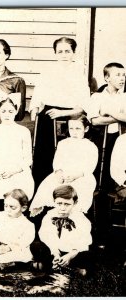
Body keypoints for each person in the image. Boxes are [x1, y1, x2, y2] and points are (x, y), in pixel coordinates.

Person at [30, 37, 90, 187]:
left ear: (73, 53)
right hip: (47, 118)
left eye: (67, 51)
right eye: (60, 51)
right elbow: (36, 99)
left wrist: (62, 113)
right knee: (44, 156)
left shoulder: (79, 75)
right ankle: (41, 197)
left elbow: (83, 106)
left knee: (64, 157)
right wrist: (35, 117)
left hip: (70, 118)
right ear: (55, 54)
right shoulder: (47, 72)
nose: (64, 55)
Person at [30, 115, 98, 217]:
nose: (74, 132)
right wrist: (59, 172)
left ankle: (74, 215)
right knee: (48, 184)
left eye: (78, 128)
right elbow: (57, 162)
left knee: (80, 188)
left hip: (81, 176)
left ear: (86, 129)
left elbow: (90, 167)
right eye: (71, 128)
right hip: (63, 174)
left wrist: (76, 175)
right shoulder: (63, 143)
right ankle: (53, 216)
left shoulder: (90, 146)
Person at [85, 62, 126, 193]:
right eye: (118, 75)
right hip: (100, 136)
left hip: (118, 137)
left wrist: (109, 111)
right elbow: (95, 121)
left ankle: (116, 189)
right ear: (107, 78)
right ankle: (98, 190)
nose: (122, 78)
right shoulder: (97, 97)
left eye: (124, 75)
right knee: (98, 161)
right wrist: (119, 117)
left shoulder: (124, 97)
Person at [36, 185, 93, 276]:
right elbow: (46, 236)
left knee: (88, 254)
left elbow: (83, 241)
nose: (62, 208)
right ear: (54, 201)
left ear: (75, 203)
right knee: (36, 246)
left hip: (72, 252)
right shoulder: (49, 216)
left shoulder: (81, 219)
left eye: (67, 204)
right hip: (55, 251)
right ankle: (57, 264)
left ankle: (69, 267)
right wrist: (55, 253)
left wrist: (70, 256)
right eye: (59, 203)